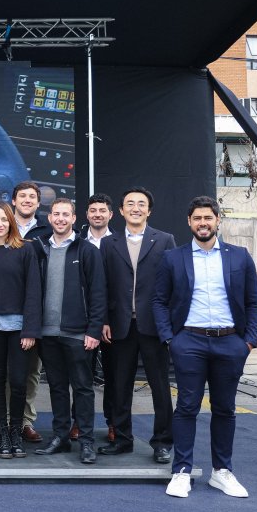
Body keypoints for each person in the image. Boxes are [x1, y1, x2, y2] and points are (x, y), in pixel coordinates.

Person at [154, 196, 257, 499]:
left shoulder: (239, 256)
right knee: (187, 406)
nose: (203, 223)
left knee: (225, 409)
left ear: (217, 221)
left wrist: (248, 341)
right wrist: (170, 339)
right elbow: (159, 301)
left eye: (208, 218)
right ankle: (182, 471)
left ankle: (221, 472)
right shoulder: (173, 258)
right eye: (197, 218)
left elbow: (254, 301)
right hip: (189, 341)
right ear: (189, 222)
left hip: (231, 343)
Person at [99, 187, 176, 463]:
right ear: (120, 211)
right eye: (129, 204)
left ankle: (162, 442)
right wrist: (104, 321)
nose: (135, 208)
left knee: (159, 386)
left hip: (153, 326)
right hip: (119, 326)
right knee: (119, 386)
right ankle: (122, 439)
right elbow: (103, 286)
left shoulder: (165, 240)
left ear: (149, 210)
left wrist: (169, 324)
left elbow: (173, 285)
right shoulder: (109, 244)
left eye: (141, 204)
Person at [32, 198, 106, 464]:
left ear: (75, 219)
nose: (61, 218)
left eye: (66, 214)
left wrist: (94, 330)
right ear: (49, 218)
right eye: (56, 214)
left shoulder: (87, 251)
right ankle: (61, 437)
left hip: (79, 333)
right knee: (57, 388)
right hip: (48, 333)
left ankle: (86, 442)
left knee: (83, 388)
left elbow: (98, 293)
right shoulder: (40, 249)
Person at [0, 201, 41, 459]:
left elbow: (34, 291)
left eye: (4, 219)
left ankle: (16, 430)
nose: (0, 224)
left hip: (18, 327)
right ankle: (1, 431)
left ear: (11, 222)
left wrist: (30, 330)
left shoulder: (26, 250)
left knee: (18, 381)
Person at [9, 180, 52, 444]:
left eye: (32, 197)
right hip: (5, 310)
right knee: (6, 372)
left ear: (38, 203)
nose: (27, 200)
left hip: (37, 310)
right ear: (13, 200)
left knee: (32, 372)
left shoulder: (47, 230)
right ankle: (6, 422)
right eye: (22, 196)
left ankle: (25, 421)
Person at [76, 193, 115, 443]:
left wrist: (105, 321)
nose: (97, 214)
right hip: (82, 321)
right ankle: (79, 423)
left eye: (102, 210)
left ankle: (113, 424)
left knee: (114, 377)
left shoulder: (120, 243)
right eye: (93, 210)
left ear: (111, 214)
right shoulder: (77, 242)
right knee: (81, 378)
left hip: (112, 323)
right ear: (87, 215)